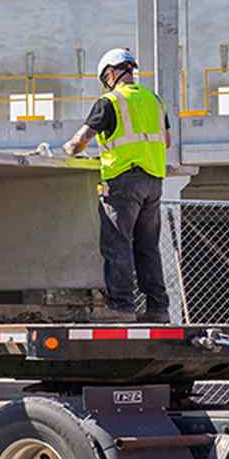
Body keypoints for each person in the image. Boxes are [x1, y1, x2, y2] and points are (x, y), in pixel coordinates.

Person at [63, 48, 172, 323]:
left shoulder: (109, 101)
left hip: (123, 181)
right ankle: (158, 309)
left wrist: (66, 150)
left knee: (118, 243)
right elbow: (166, 141)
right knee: (148, 246)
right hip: (154, 181)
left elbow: (78, 143)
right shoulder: (154, 100)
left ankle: (122, 308)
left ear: (111, 74)